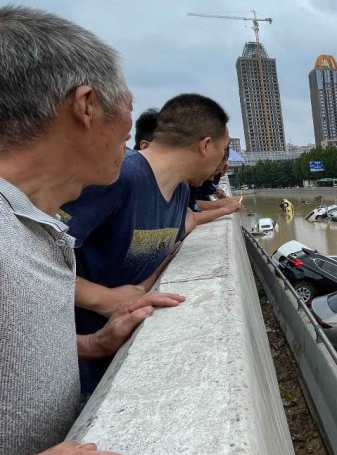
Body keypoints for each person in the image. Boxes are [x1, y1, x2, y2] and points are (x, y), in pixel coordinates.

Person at [0, 5, 184, 455]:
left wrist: (87, 344)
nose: (129, 148)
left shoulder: (34, 225)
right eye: (126, 127)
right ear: (85, 107)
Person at [60, 93, 238, 395]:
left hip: (118, 357)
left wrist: (141, 292)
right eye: (222, 153)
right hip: (73, 365)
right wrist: (103, 298)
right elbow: (28, 256)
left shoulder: (181, 191)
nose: (220, 166)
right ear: (206, 146)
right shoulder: (118, 177)